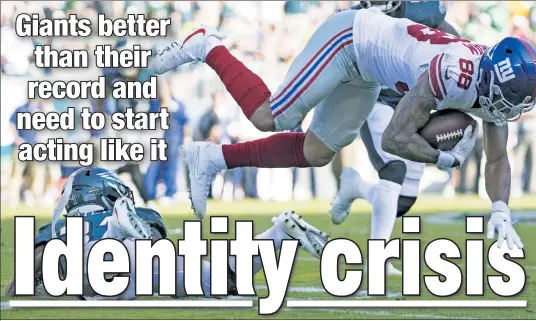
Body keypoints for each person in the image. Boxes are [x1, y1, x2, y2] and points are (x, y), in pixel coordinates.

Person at [152, 3, 535, 249]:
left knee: (317, 152)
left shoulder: (490, 83)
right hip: (349, 40)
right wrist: (443, 158)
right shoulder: (451, 72)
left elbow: (498, 157)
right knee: (271, 117)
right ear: (491, 78)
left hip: (369, 70)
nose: (506, 109)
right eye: (507, 98)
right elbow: (395, 138)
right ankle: (207, 45)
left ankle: (214, 159)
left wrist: (500, 209)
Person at [5, 167, 329, 299]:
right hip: (137, 258)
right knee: (226, 276)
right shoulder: (144, 217)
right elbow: (159, 242)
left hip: (89, 260)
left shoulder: (57, 228)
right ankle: (278, 235)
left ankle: (111, 237)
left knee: (80, 282)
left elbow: (15, 288)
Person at [330, 1, 460, 275]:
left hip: (410, 108)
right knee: (393, 169)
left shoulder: (424, 11)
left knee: (403, 201)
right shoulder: (352, 18)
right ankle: (379, 260)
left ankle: (357, 187)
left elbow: (456, 43)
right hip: (375, 101)